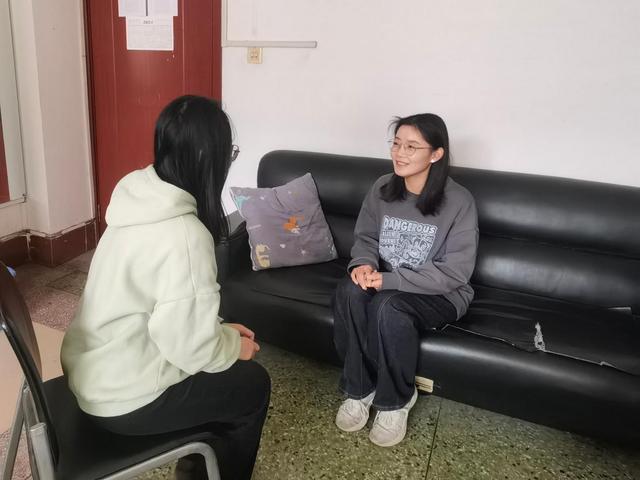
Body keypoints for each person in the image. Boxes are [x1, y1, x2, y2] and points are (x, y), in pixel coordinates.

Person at [61, 95, 270, 480]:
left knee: (224, 370)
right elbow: (191, 349)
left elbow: (164, 312)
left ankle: (198, 466)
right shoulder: (184, 236)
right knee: (253, 385)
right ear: (207, 157)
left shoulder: (135, 204)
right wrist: (231, 347)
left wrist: (220, 332)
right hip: (125, 399)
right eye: (230, 153)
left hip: (95, 371)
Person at [333, 113, 478, 447]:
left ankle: (396, 399)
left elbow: (455, 272)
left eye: (412, 147)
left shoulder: (459, 201)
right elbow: (366, 237)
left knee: (388, 306)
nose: (399, 153)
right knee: (349, 291)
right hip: (384, 279)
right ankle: (359, 388)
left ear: (436, 154)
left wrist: (389, 281)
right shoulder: (382, 188)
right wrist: (363, 265)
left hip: (441, 293)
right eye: (396, 143)